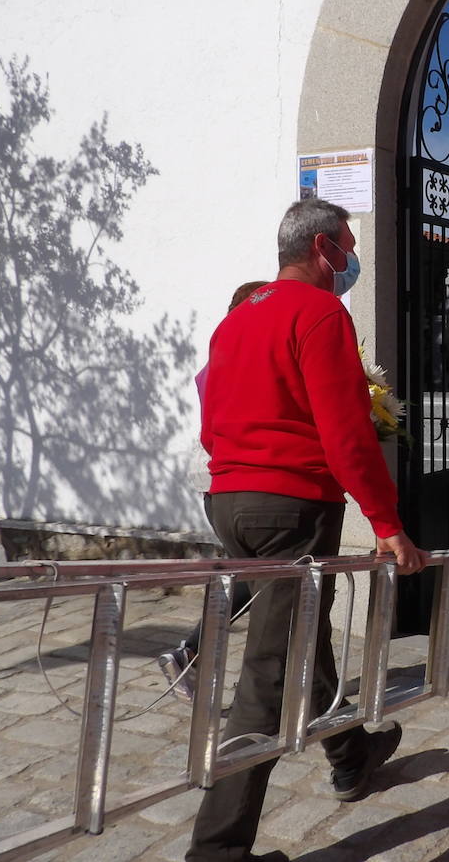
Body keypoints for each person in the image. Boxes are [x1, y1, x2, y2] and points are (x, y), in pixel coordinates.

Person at [187, 199, 427, 862]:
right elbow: (346, 432)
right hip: (290, 506)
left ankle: (351, 751)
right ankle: (217, 850)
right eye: (347, 246)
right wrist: (387, 523)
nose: (351, 260)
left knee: (299, 635)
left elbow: (211, 413)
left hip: (230, 498)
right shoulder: (322, 314)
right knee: (266, 674)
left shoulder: (238, 318)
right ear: (323, 248)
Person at [158, 280, 271, 703]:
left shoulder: (224, 356)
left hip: (223, 482)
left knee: (256, 577)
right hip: (235, 479)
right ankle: (192, 652)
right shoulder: (238, 359)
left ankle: (250, 678)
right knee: (256, 577)